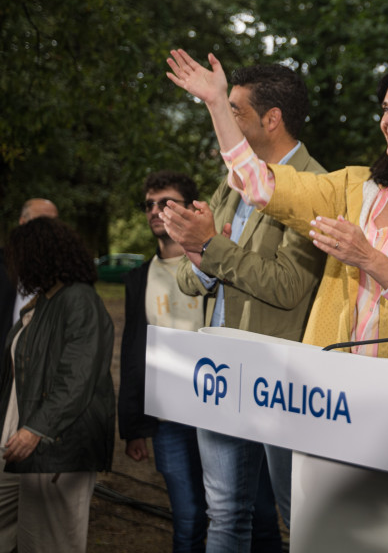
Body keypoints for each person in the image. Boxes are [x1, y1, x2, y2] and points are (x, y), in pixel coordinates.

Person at [167, 50, 388, 360]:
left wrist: (367, 257)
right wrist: (216, 105)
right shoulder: (352, 186)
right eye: (385, 108)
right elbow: (258, 184)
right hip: (334, 386)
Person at [163, 63, 327, 553]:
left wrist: (211, 248)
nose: (225, 120)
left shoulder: (317, 184)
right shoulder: (233, 181)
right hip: (220, 371)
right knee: (225, 513)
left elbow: (287, 286)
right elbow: (191, 278)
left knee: (301, 517)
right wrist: (202, 255)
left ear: (271, 119)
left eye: (233, 110)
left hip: (282, 377)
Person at [0, 217, 115, 553]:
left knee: (49, 542)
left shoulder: (78, 300)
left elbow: (77, 377)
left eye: (20, 256)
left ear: (39, 256)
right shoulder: (45, 301)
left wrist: (36, 428)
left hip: (57, 447)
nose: (14, 265)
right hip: (19, 441)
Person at [118, 171, 209, 552]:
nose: (156, 211)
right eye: (149, 205)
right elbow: (132, 352)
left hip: (218, 410)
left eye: (166, 203)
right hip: (168, 417)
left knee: (232, 513)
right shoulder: (139, 277)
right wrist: (134, 425)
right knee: (187, 518)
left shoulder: (215, 267)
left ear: (190, 208)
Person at [4, 199, 59, 336]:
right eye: (41, 221)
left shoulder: (67, 269)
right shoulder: (4, 265)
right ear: (22, 222)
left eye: (53, 222)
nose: (49, 228)